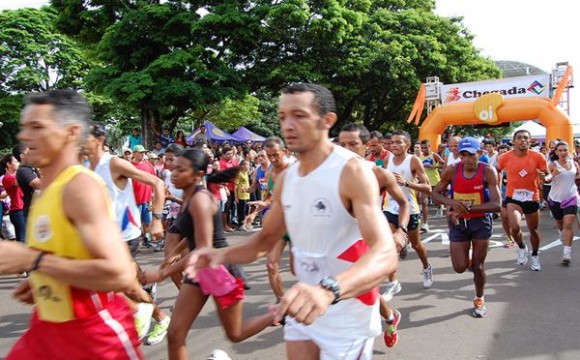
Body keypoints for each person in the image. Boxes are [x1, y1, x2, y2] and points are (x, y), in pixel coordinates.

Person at [185, 83, 398, 359]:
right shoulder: (288, 178)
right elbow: (264, 240)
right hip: (301, 306)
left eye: (299, 115)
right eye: (283, 116)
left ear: (327, 121)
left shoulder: (351, 171)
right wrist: (214, 255)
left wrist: (328, 290)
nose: (288, 125)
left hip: (346, 309)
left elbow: (385, 253)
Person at [0, 89, 142, 359]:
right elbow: (66, 252)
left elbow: (120, 274)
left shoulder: (79, 187)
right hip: (47, 326)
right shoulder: (45, 191)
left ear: (71, 132)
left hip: (93, 334)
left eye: (37, 126)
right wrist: (46, 281)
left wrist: (34, 260)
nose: (23, 136)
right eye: (24, 127)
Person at [139, 149, 275, 360]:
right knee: (175, 333)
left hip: (221, 270)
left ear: (198, 174)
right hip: (200, 270)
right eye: (174, 168)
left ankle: (278, 313)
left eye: (181, 170)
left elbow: (202, 251)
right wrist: (174, 251)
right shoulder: (189, 196)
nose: (174, 173)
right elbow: (194, 232)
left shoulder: (200, 200)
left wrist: (160, 274)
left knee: (235, 333)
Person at [84, 122, 170, 345]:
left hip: (124, 235)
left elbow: (157, 183)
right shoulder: (85, 166)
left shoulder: (114, 163)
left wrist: (157, 220)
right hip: (102, 237)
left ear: (100, 140)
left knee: (113, 283)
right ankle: (150, 302)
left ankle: (149, 313)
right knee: (123, 283)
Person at [338, 122, 411, 347]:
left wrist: (401, 231)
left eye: (353, 144)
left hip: (367, 237)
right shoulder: (329, 173)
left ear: (365, 147)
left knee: (362, 287)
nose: (346, 149)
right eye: (342, 145)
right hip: (338, 238)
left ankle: (372, 328)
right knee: (345, 289)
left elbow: (403, 204)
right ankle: (389, 316)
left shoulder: (379, 174)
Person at [431, 137, 501, 318]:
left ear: (480, 153)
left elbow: (497, 204)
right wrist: (452, 202)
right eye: (464, 155)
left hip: (480, 222)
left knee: (478, 266)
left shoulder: (488, 171)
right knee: (460, 267)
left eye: (472, 154)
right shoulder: (452, 171)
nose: (468, 159)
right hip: (458, 222)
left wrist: (468, 208)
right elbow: (435, 193)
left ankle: (479, 298)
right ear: (459, 155)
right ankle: (468, 257)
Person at [384, 130, 433, 292]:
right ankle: (393, 282)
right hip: (390, 208)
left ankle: (426, 267)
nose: (394, 145)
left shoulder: (413, 161)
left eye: (399, 142)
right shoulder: (388, 159)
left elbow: (427, 188)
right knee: (390, 245)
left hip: (410, 209)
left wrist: (406, 183)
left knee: (417, 244)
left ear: (408, 145)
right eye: (392, 142)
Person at [497, 130, 549, 271]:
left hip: (532, 198)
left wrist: (545, 178)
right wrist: (497, 188)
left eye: (526, 138)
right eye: (519, 138)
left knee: (534, 230)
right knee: (514, 227)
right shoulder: (504, 157)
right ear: (514, 142)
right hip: (513, 198)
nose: (523, 140)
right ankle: (521, 246)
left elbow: (547, 174)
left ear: (530, 141)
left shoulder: (538, 157)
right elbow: (497, 170)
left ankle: (535, 255)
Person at [546, 141, 580, 264]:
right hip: (555, 199)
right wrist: (552, 175)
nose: (563, 152)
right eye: (560, 150)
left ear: (568, 151)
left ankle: (567, 254)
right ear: (556, 152)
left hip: (571, 197)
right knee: (560, 223)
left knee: (569, 225)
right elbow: (546, 178)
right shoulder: (552, 164)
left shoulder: (574, 164)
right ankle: (561, 234)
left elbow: (577, 176)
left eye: (565, 150)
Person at [131, 144, 159, 246]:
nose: (142, 154)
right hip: (134, 200)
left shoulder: (148, 165)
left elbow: (155, 180)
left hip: (147, 200)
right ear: (134, 154)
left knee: (147, 221)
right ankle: (137, 241)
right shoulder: (130, 166)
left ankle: (146, 239)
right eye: (140, 152)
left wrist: (153, 196)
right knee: (136, 223)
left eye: (143, 152)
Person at [419, 139, 444, 233]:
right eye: (422, 148)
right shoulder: (419, 156)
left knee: (435, 199)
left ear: (429, 147)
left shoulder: (434, 155)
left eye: (426, 147)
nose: (424, 149)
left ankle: (439, 206)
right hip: (424, 182)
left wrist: (434, 167)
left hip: (435, 181)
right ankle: (425, 224)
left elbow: (443, 164)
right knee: (424, 201)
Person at [1, 154, 26, 243]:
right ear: (8, 164)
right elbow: (21, 181)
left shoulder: (15, 175)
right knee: (22, 240)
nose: (18, 163)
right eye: (16, 161)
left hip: (22, 209)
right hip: (17, 210)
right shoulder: (7, 178)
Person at [13, 144, 41, 221]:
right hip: (32, 213)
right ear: (22, 156)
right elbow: (39, 184)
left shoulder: (31, 168)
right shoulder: (23, 170)